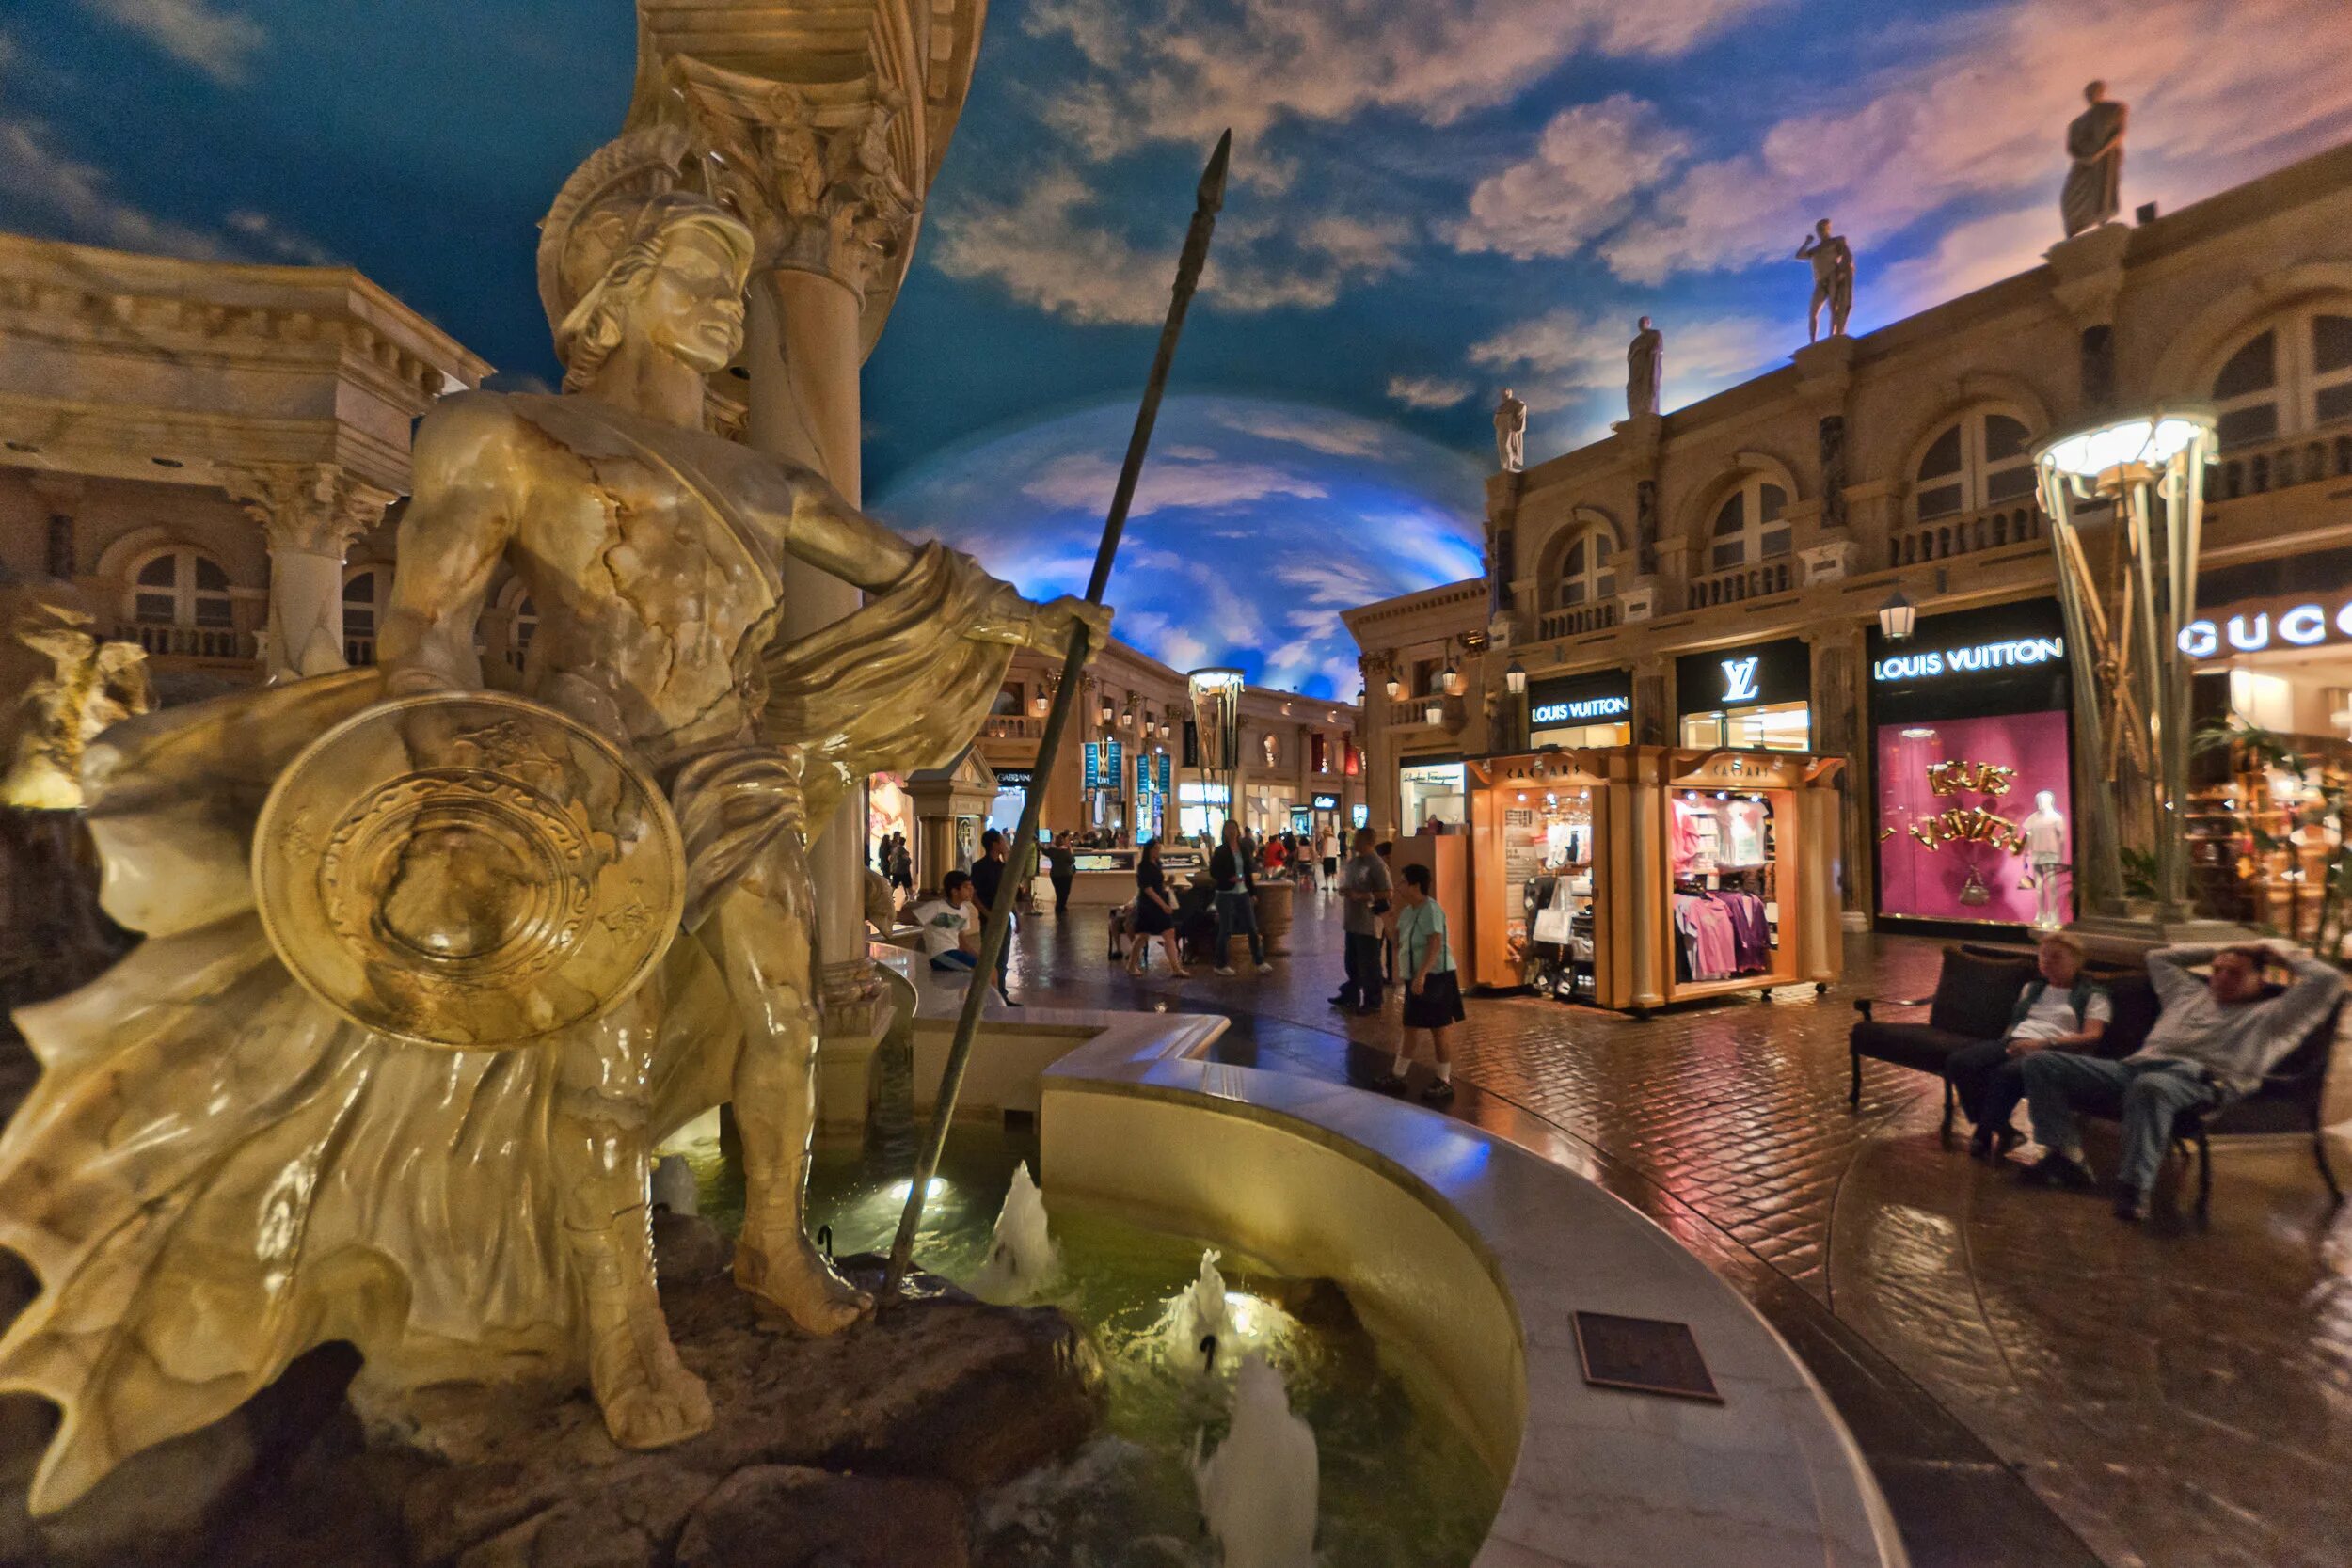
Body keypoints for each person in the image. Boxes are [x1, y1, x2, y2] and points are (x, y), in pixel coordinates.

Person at [2018, 942, 2344, 1221]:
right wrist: (2222, 949)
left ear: (2260, 979)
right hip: (2135, 1068)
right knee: (2041, 1063)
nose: (2221, 978)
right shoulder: (2187, 993)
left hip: (2201, 1081)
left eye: (2235, 973)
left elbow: (2329, 980)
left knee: (2152, 1087)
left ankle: (2135, 1188)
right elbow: (2158, 957)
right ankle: (2065, 1156)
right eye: (2217, 970)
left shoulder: (2276, 1017)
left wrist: (2277, 952)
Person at [1942, 933, 2111, 1159]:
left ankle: (1982, 1133)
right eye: (2043, 956)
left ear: (2076, 961)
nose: (2047, 962)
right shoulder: (2032, 988)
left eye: (2056, 957)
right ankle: (2003, 1129)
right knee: (1960, 1062)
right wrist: (2003, 1048)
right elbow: (2016, 1023)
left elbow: (2092, 1036)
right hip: (2017, 1041)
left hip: (2052, 1051)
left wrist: (2043, 1044)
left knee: (2005, 1073)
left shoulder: (2093, 996)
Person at [1376, 863, 1462, 1104]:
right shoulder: (1408, 912)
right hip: (1416, 977)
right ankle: (1399, 1074)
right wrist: (1384, 915)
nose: (1399, 886)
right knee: (1411, 1026)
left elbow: (1435, 943)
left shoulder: (1430, 909)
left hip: (1436, 976)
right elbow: (1397, 942)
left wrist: (1423, 974)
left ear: (1415, 885)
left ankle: (1444, 1079)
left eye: (1403, 881)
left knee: (1439, 1027)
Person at [1330, 826, 1391, 1015]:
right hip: (1353, 921)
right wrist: (1346, 890)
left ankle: (1373, 1000)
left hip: (1369, 923)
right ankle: (1351, 994)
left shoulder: (1377, 865)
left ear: (1367, 841)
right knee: (1352, 961)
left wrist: (1362, 895)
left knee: (1370, 963)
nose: (1353, 842)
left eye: (1357, 839)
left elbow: (1388, 893)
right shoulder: (1355, 862)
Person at [1209, 819, 1274, 976]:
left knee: (1252, 927)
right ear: (1224, 832)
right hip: (1226, 893)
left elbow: (1247, 872)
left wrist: (1252, 893)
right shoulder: (1220, 851)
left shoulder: (1243, 849)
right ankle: (1220, 963)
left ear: (1238, 831)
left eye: (1234, 828)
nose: (1232, 831)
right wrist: (1228, 879)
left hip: (1242, 891)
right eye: (1228, 829)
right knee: (1226, 929)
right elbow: (1214, 872)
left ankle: (1259, 961)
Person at [967, 828, 1018, 1005]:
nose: (1005, 844)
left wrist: (1016, 916)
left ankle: (1001, 995)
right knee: (991, 959)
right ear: (994, 844)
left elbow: (1010, 891)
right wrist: (988, 914)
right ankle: (990, 995)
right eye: (1002, 841)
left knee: (1002, 960)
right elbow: (974, 896)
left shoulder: (1003, 867)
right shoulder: (980, 867)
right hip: (989, 919)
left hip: (1004, 920)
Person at [1126, 838, 1189, 977]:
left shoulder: (1157, 864)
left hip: (1158, 903)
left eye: (1159, 849)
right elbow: (1148, 889)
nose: (1158, 852)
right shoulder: (1144, 867)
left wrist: (1167, 883)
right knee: (1143, 936)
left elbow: (1157, 885)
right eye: (1156, 849)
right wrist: (1163, 905)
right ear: (1149, 850)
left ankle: (1176, 968)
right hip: (1149, 905)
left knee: (1169, 933)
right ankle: (1131, 965)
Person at [910, 871, 985, 981]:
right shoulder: (937, 907)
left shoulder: (964, 911)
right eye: (966, 887)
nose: (971, 890)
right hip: (939, 955)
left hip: (954, 953)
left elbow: (963, 943)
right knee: (982, 972)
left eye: (971, 886)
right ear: (954, 891)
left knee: (988, 969)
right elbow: (909, 917)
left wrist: (980, 958)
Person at [1043, 831, 1078, 916]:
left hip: (1055, 874)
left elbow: (1044, 851)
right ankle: (1061, 907)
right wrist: (1070, 850)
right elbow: (1072, 860)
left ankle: (1059, 907)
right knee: (1065, 892)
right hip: (1066, 874)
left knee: (1058, 891)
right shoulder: (1066, 852)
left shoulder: (1052, 851)